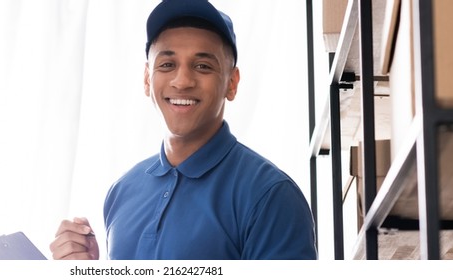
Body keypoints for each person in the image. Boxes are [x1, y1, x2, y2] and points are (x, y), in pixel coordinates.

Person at [49, 0, 317, 260]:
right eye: (167, 65)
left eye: (202, 66)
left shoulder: (271, 196)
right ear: (147, 79)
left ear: (231, 83)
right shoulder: (121, 192)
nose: (182, 81)